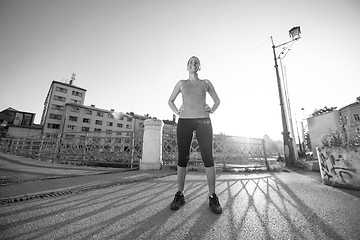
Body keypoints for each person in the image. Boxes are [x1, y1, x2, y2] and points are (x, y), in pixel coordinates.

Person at [168, 56, 222, 214]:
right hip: (184, 121)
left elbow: (217, 100)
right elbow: (170, 100)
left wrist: (211, 109)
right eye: (191, 62)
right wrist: (177, 111)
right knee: (183, 157)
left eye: (196, 62)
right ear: (187, 66)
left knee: (208, 157)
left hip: (203, 121)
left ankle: (212, 196)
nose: (193, 64)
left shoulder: (206, 83)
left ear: (200, 67)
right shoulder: (181, 83)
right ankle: (180, 194)